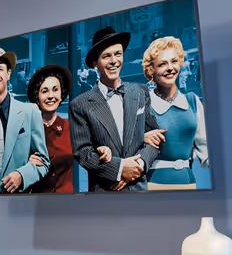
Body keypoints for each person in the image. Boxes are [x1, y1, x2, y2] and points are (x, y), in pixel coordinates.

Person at [69, 26, 160, 192]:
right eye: (106, 56)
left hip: (138, 189)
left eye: (118, 54)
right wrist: (119, 169)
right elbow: (83, 153)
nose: (113, 61)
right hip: (105, 192)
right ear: (95, 64)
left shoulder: (141, 93)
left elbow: (154, 140)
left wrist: (138, 165)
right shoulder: (80, 104)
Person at [0, 45, 48, 195]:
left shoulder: (30, 112)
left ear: (8, 74)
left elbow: (43, 162)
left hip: (20, 206)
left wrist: (22, 175)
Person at [140, 36, 208, 188]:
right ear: (152, 70)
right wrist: (141, 138)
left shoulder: (193, 102)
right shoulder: (142, 104)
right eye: (162, 64)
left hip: (189, 183)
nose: (170, 68)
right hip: (154, 184)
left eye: (174, 61)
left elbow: (207, 154)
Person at [24, 64, 76, 193]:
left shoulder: (72, 128)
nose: (51, 96)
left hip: (68, 204)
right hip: (37, 205)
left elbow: (89, 153)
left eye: (55, 89)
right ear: (37, 97)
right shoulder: (25, 132)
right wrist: (25, 163)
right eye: (45, 91)